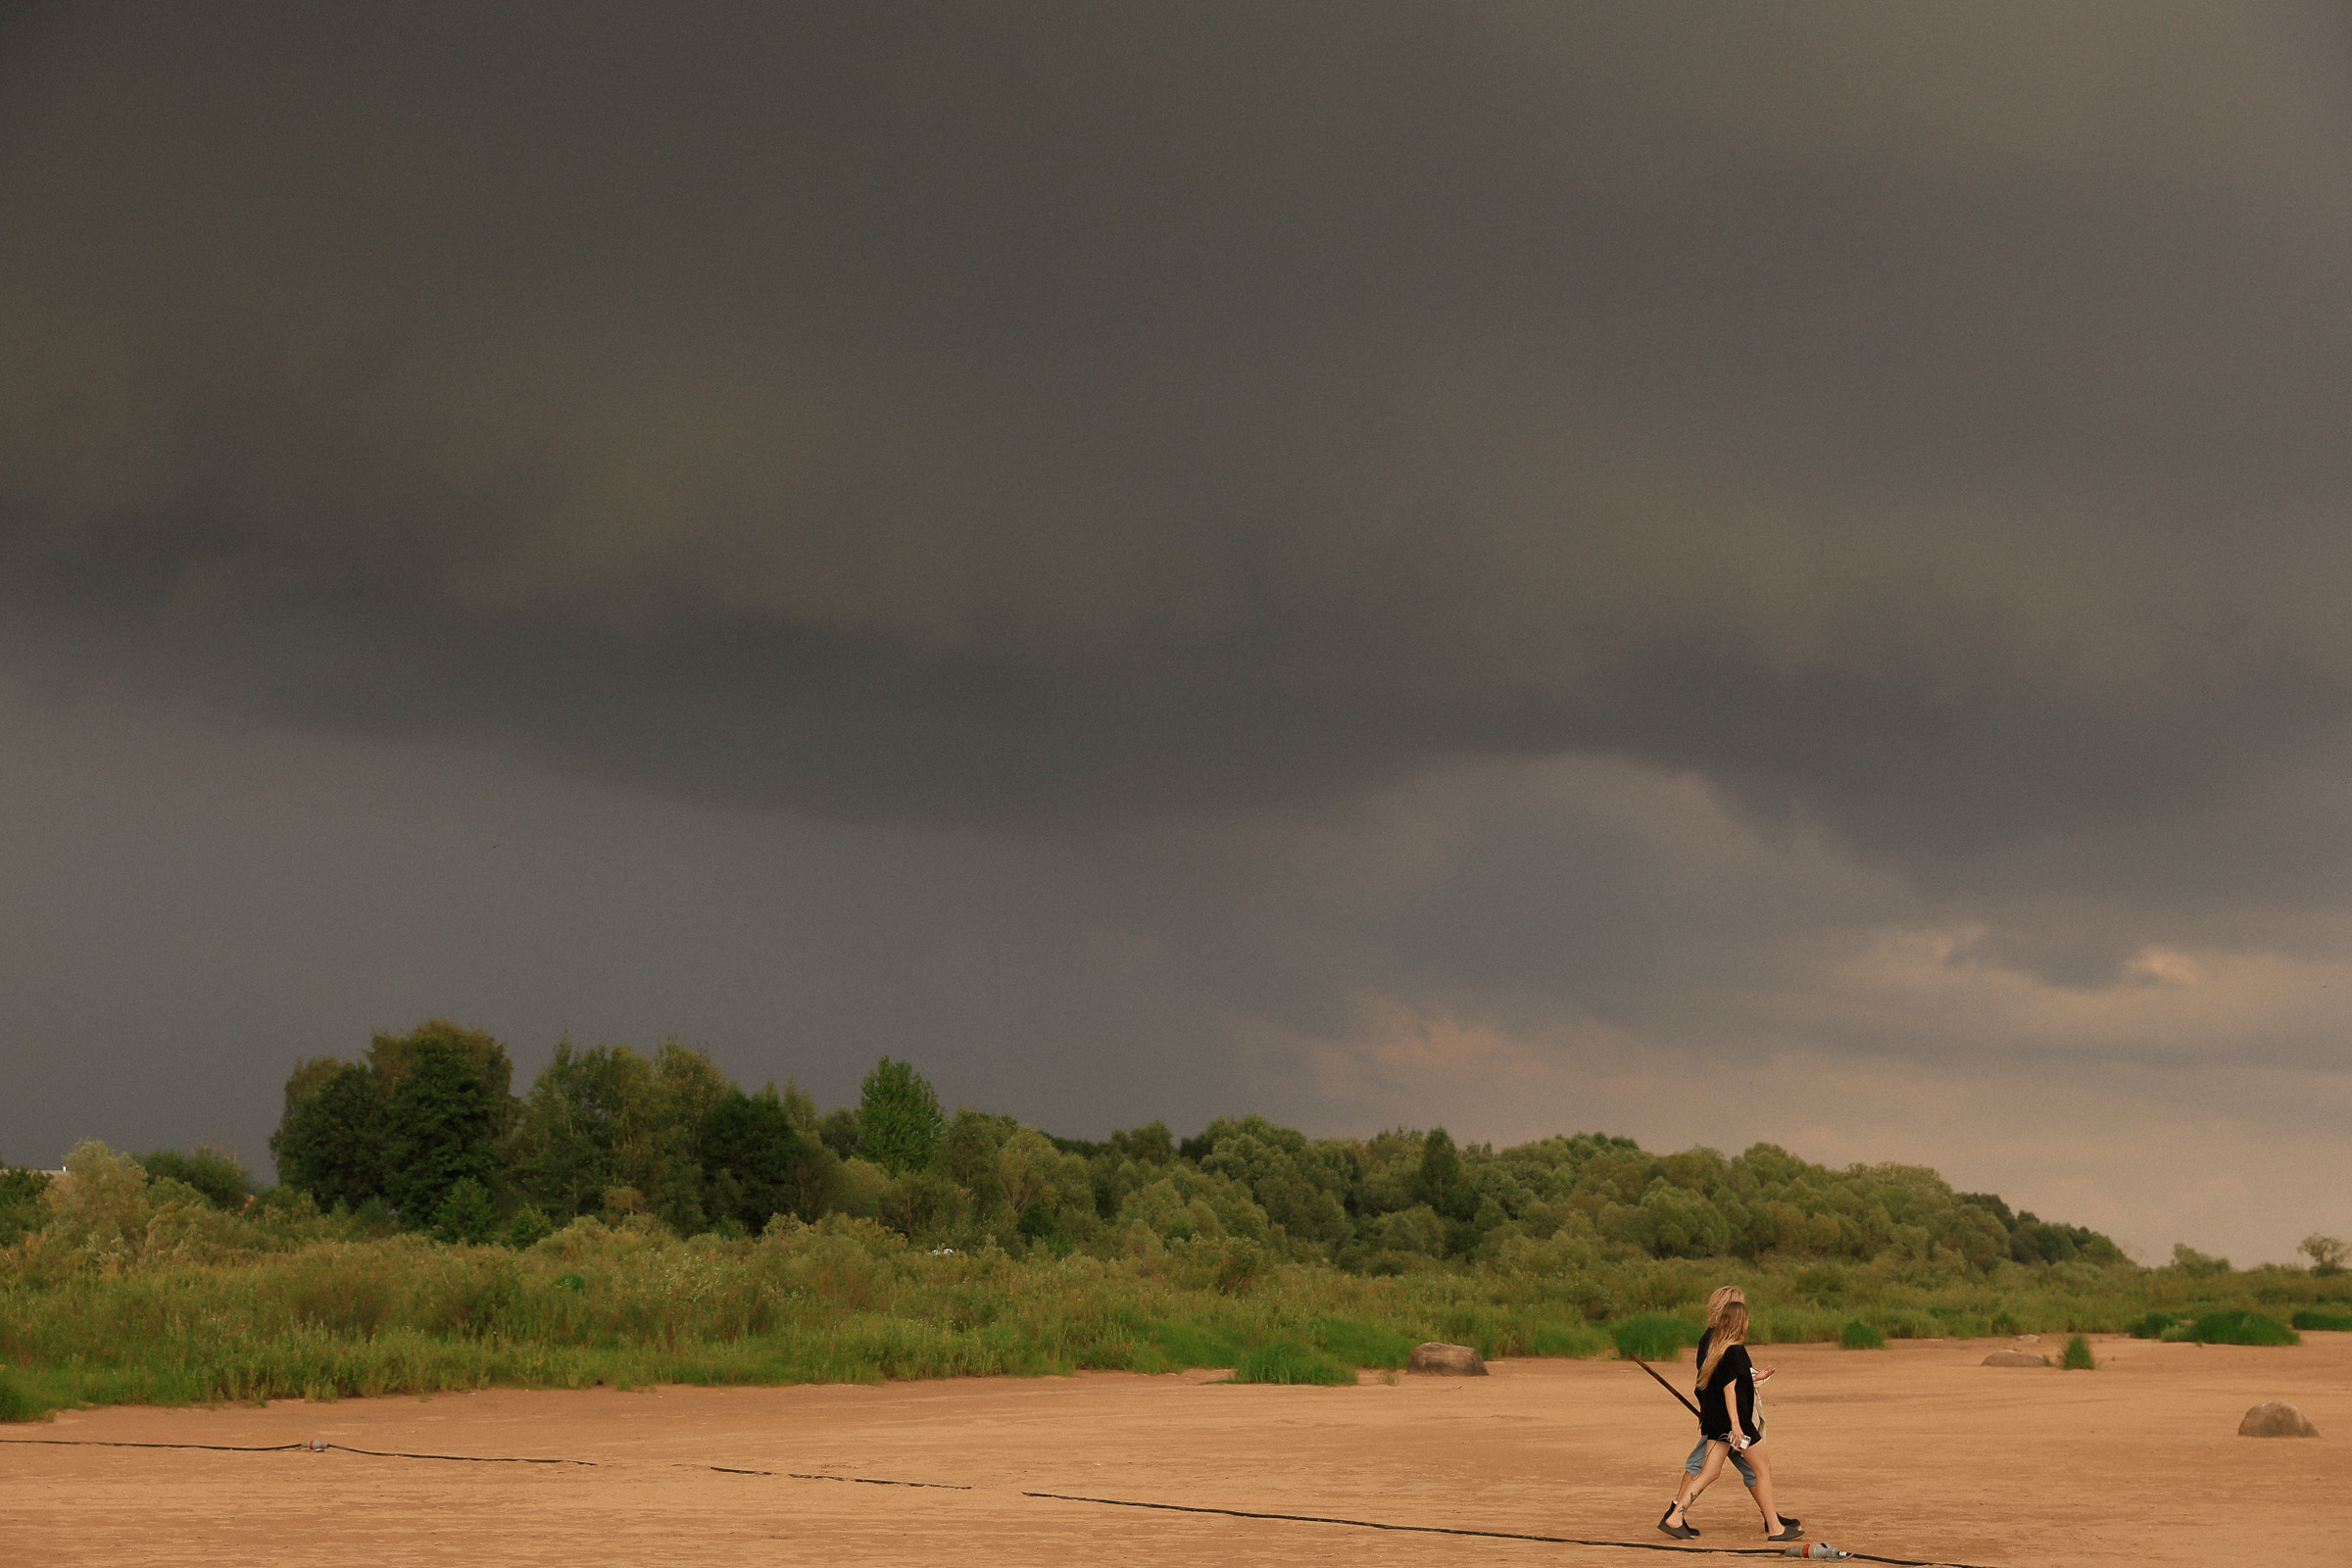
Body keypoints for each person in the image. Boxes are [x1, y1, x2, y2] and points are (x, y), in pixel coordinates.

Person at [1658, 1298, 1800, 1542]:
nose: (1748, 1324)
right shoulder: (1735, 1350)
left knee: (1709, 1472)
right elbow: (1729, 1389)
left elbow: (1727, 1382)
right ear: (1739, 1323)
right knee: (1762, 1469)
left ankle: (1675, 1517)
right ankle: (1776, 1527)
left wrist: (1754, 1378)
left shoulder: (1719, 1349)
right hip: (1735, 1423)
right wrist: (1736, 1425)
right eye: (1746, 1319)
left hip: (1717, 1424)